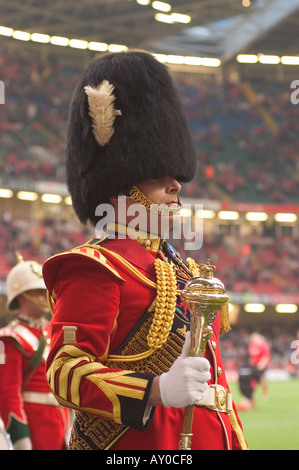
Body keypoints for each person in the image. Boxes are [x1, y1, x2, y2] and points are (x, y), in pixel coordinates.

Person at [43, 49, 247, 450]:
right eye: (159, 177)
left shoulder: (180, 267)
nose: (176, 186)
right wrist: (154, 390)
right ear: (121, 188)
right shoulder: (96, 267)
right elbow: (65, 371)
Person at [0, 253, 70, 450]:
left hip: (63, 423)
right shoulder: (8, 338)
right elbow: (8, 396)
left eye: (44, 291)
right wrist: (22, 441)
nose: (44, 297)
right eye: (38, 292)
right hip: (35, 428)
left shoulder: (55, 330)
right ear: (22, 296)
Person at [237, 332, 271, 411]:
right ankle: (251, 403)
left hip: (260, 368)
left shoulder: (263, 346)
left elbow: (265, 357)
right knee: (252, 385)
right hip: (253, 368)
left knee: (263, 382)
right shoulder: (251, 346)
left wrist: (261, 365)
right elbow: (251, 358)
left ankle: (263, 395)